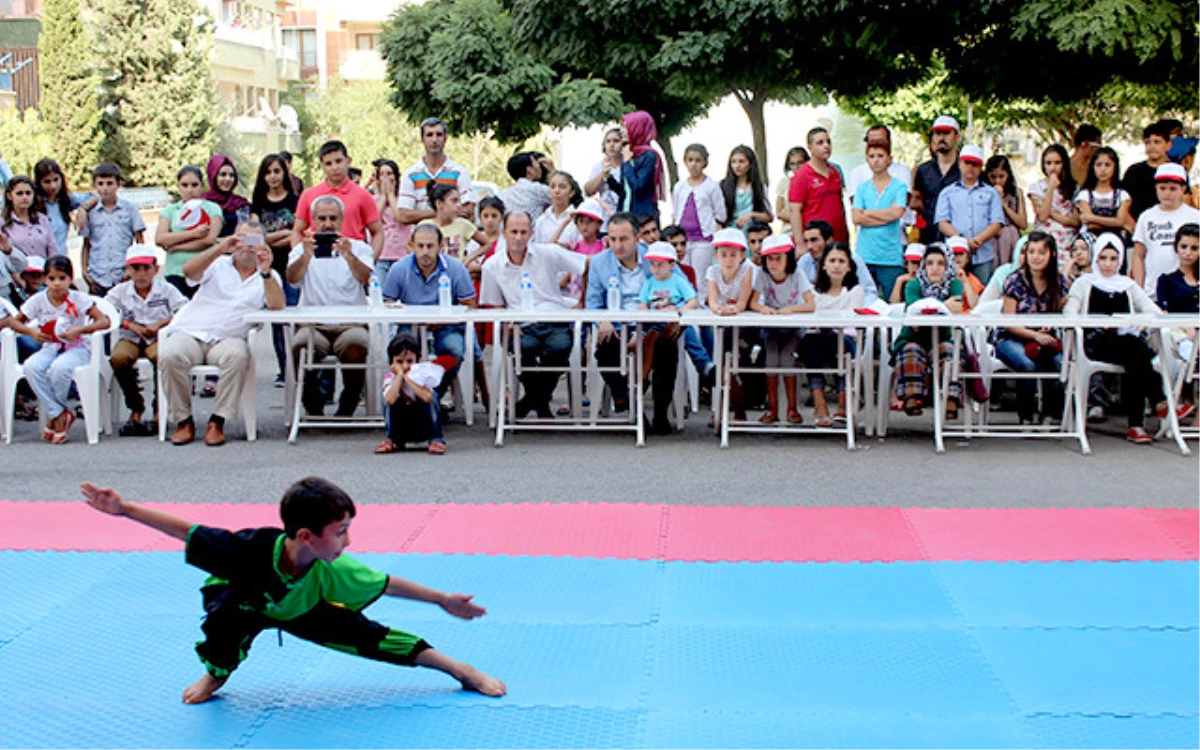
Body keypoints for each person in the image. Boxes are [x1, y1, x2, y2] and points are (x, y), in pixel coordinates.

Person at [79, 477, 505, 703]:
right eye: (340, 532)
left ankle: (460, 670)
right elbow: (186, 531)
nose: (348, 541)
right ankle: (215, 675)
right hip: (243, 601)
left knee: (373, 637)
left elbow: (387, 584)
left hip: (304, 608)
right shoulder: (247, 550)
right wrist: (124, 510)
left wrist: (442, 600)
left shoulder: (330, 567)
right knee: (222, 633)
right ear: (305, 535)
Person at [159, 222, 285, 446]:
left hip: (229, 338)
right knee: (170, 354)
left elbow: (277, 306)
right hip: (192, 330)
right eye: (243, 239)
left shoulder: (269, 275)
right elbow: (188, 271)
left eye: (253, 241)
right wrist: (220, 247)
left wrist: (265, 271)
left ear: (263, 245)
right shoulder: (217, 264)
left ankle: (217, 421)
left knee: (238, 356)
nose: (247, 246)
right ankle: (183, 420)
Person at [1064, 232, 1183, 443]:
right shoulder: (1084, 283)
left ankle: (1138, 425)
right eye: (1103, 258)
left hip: (1125, 344)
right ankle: (1156, 402)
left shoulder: (1127, 285)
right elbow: (1070, 315)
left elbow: (1151, 309)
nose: (1108, 264)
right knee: (1136, 352)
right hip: (1095, 343)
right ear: (1095, 258)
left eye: (1113, 258)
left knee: (1133, 355)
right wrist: (1098, 323)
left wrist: (1140, 321)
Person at [479, 211, 585, 418]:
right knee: (523, 350)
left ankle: (530, 401)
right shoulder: (492, 265)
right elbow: (496, 305)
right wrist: (506, 321)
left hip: (554, 319)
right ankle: (540, 401)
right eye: (513, 232)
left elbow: (586, 264)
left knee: (560, 348)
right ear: (504, 233)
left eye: (523, 232)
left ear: (531, 234)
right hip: (520, 325)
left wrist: (583, 302)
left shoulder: (548, 253)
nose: (518, 237)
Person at [583, 216, 683, 434]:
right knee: (606, 345)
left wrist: (675, 314)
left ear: (638, 238)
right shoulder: (599, 262)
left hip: (653, 323)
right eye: (613, 239)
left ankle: (660, 413)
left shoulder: (657, 256)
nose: (618, 245)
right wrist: (602, 319)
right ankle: (629, 404)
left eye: (624, 239)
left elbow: (683, 291)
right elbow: (592, 303)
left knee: (667, 348)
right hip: (618, 325)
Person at [287, 196, 376, 418]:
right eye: (322, 218)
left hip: (350, 323)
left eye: (333, 218)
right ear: (313, 220)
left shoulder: (359, 248)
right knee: (300, 347)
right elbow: (292, 279)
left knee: (357, 344)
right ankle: (312, 402)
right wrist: (306, 257)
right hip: (313, 324)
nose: (328, 223)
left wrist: (348, 256)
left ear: (342, 220)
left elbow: (367, 279)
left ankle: (349, 402)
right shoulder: (301, 249)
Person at [6, 255, 111, 443]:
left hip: (77, 348)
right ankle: (59, 413)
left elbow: (104, 321)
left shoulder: (79, 299)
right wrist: (31, 331)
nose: (56, 284)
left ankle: (56, 415)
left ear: (70, 279)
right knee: (31, 367)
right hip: (50, 346)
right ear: (45, 279)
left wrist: (80, 329)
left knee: (59, 369)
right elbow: (14, 321)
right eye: (51, 279)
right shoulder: (38, 300)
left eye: (62, 278)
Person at [106, 245, 188, 436]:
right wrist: (127, 324)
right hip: (131, 337)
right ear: (128, 270)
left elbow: (184, 311)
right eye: (135, 269)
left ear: (155, 269)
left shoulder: (166, 289)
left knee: (163, 357)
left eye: (146, 268)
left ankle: (159, 408)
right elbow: (104, 311)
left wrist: (161, 323)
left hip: (158, 337)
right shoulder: (120, 291)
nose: (141, 274)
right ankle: (135, 406)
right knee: (118, 358)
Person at [382, 223, 478, 385]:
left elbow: (470, 305)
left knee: (454, 350)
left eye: (430, 246)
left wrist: (445, 319)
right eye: (420, 246)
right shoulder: (399, 269)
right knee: (398, 352)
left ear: (440, 247)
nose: (425, 252)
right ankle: (407, 394)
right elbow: (386, 303)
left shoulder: (456, 268)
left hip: (448, 326)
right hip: (410, 325)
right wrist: (403, 313)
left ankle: (434, 393)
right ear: (412, 246)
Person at [996, 231, 1070, 423]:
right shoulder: (1014, 280)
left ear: (1051, 255)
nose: (1036, 257)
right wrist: (1034, 335)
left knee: (1060, 362)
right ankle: (1026, 415)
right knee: (1027, 365)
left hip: (1046, 336)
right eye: (1032, 252)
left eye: (1041, 253)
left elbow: (1064, 310)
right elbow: (1008, 322)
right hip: (1013, 336)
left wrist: (1050, 324)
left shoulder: (1059, 281)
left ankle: (1050, 413)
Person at [891, 244, 963, 418]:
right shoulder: (913, 284)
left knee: (949, 350)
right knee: (911, 350)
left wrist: (933, 308)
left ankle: (950, 398)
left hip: (942, 337)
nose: (935, 268)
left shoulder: (954, 284)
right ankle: (911, 396)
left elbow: (958, 307)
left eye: (941, 263)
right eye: (930, 263)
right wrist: (944, 306)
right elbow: (915, 309)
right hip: (913, 336)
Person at [750, 234, 814, 424]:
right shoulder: (762, 275)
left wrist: (791, 309)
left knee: (787, 357)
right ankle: (772, 408)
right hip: (773, 326)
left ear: (789, 258)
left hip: (794, 327)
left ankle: (792, 409)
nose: (773, 263)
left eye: (779, 258)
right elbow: (753, 302)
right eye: (769, 258)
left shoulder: (797, 275)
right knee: (770, 357)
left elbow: (810, 304)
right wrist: (764, 309)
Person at [250, 154, 301, 386]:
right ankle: (284, 371)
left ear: (285, 173)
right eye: (268, 172)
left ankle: (300, 369)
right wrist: (284, 235)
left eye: (277, 171)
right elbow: (254, 238)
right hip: (268, 268)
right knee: (278, 321)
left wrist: (269, 238)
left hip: (292, 266)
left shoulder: (296, 201)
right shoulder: (258, 203)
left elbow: (298, 235)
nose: (273, 176)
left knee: (296, 318)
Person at [292, 141, 384, 258]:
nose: (334, 167)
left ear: (348, 161)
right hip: (319, 260)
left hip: (353, 261)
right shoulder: (309, 195)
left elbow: (378, 232)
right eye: (328, 164)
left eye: (338, 161)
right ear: (322, 166)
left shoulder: (362, 195)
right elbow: (297, 231)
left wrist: (369, 262)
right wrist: (300, 259)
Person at [396, 117, 476, 251]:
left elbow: (468, 211)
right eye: (429, 135)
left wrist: (423, 214)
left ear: (445, 138)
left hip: (453, 246)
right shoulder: (410, 174)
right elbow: (404, 215)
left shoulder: (459, 172)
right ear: (422, 139)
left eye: (439, 134)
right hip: (422, 246)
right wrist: (442, 212)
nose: (434, 139)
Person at [809, 243, 866, 425]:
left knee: (839, 343)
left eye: (841, 261)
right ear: (823, 265)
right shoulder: (813, 292)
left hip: (845, 340)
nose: (836, 265)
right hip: (818, 339)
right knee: (810, 344)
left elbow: (850, 323)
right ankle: (820, 403)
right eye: (832, 260)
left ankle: (844, 402)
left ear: (849, 266)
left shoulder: (855, 292)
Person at [375, 333, 456, 455]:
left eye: (409, 361)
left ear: (417, 360)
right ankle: (394, 439)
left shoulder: (423, 375)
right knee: (387, 396)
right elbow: (390, 400)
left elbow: (428, 397)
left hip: (422, 423)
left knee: (433, 395)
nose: (405, 366)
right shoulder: (390, 378)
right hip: (402, 424)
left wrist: (408, 380)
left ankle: (435, 438)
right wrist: (399, 376)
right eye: (399, 361)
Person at [935, 144, 1004, 283]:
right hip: (954, 255)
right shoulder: (947, 192)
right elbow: (942, 222)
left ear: (980, 167)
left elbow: (996, 223)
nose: (970, 168)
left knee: (981, 295)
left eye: (975, 164)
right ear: (960, 163)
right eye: (967, 163)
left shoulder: (991, 193)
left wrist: (977, 241)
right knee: (954, 292)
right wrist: (963, 242)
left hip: (983, 254)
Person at [1131, 163, 1200, 300]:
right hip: (1152, 291)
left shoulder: (1195, 216)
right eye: (1162, 188)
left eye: (1173, 189)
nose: (1167, 193)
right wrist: (1139, 289)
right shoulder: (1146, 217)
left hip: (1187, 290)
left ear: (1183, 189)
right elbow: (1138, 254)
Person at [158, 166, 224, 298]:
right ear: (178, 187)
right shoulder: (170, 211)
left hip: (205, 272)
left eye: (194, 185)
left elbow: (209, 240)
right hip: (175, 272)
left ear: (202, 186)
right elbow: (160, 238)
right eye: (185, 185)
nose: (190, 190)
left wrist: (176, 246)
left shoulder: (212, 209)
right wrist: (193, 234)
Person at [852, 139, 909, 295]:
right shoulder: (862, 189)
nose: (876, 160)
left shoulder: (899, 186)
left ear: (889, 159)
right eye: (871, 156)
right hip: (865, 254)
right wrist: (886, 215)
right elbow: (856, 218)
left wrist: (868, 212)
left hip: (890, 256)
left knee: (893, 303)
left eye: (880, 156)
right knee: (863, 302)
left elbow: (897, 213)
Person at [79, 163, 145, 296]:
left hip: (122, 275)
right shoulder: (91, 212)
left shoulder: (129, 209)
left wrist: (132, 269)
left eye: (110, 183)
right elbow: (86, 244)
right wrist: (85, 272)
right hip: (97, 276)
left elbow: (140, 242)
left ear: (118, 185)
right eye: (101, 184)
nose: (105, 189)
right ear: (95, 185)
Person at [1158, 223, 1200, 424]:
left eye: (1194, 248)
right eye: (1184, 247)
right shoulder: (1167, 280)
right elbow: (1164, 312)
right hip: (1181, 334)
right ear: (1176, 248)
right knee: (1190, 350)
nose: (1188, 253)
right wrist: (1185, 326)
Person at [672, 144, 726, 275]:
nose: (693, 164)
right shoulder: (679, 186)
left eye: (698, 160)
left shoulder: (711, 186)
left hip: (703, 240)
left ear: (704, 163)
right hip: (683, 240)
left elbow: (720, 214)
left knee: (700, 276)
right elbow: (676, 211)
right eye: (690, 160)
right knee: (683, 274)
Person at [796, 219, 879, 302]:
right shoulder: (804, 261)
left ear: (829, 240)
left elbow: (870, 292)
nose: (809, 246)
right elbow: (797, 291)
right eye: (806, 241)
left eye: (814, 240)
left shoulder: (852, 258)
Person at [789, 128, 846, 244]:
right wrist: (800, 243)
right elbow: (794, 210)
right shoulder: (802, 175)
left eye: (828, 142)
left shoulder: (835, 171)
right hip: (815, 242)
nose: (826, 146)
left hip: (837, 239)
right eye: (820, 143)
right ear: (810, 147)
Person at [1028, 144, 1080, 265]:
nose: (1052, 167)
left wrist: (1052, 213)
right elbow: (1042, 216)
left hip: (1068, 239)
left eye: (1057, 163)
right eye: (1048, 163)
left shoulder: (1073, 188)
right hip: (1045, 238)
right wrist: (1051, 188)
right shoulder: (1037, 187)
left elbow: (1075, 221)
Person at [914, 115, 963, 244]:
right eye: (937, 133)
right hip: (929, 237)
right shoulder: (923, 170)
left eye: (947, 133)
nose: (942, 138)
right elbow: (917, 201)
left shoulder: (966, 170)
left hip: (958, 237)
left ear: (957, 136)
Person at [33, 159, 90, 255]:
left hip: (60, 261)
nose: (53, 186)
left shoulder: (66, 200)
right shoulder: (32, 204)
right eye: (47, 182)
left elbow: (95, 197)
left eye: (56, 179)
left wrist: (83, 208)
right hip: (39, 262)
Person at [419, 184, 488, 260]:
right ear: (439, 203)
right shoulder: (425, 225)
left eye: (459, 201)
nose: (459, 205)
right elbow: (410, 245)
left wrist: (468, 259)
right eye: (454, 201)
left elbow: (486, 244)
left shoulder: (463, 224)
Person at [847, 125, 913, 205]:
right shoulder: (857, 172)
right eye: (871, 141)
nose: (876, 144)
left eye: (880, 141)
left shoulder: (902, 171)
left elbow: (903, 201)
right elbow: (857, 204)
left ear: (889, 142)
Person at [1123, 120, 1175, 221]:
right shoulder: (1133, 172)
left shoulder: (1176, 171)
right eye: (1148, 142)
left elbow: (1185, 202)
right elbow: (1123, 204)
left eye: (1157, 142)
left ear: (1168, 145)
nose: (1152, 146)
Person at [1076, 146, 1132, 237]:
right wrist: (1113, 222)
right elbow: (1089, 224)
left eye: (1107, 165)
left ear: (1115, 167)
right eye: (1098, 165)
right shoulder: (1084, 194)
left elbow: (1120, 221)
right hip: (1090, 239)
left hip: (1115, 240)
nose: (1102, 169)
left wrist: (1093, 217)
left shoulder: (1122, 195)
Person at [619, 110, 664, 222]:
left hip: (642, 217)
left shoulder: (649, 155)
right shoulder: (628, 153)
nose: (622, 132)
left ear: (637, 129)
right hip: (626, 214)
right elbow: (624, 188)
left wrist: (626, 163)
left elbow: (638, 187)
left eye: (625, 127)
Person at [0, 175, 56, 262]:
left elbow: (52, 250)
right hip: (14, 273)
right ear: (9, 196)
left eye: (28, 193)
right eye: (19, 193)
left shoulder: (42, 219)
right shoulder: (3, 223)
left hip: (42, 272)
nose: (25, 197)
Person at [985, 155, 1027, 267]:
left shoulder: (1016, 193)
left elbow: (1023, 224)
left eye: (1001, 176)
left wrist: (1003, 204)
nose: (997, 181)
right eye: (993, 177)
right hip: (992, 238)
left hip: (1011, 237)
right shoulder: (983, 193)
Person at [720, 145, 772, 233]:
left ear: (750, 164)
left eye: (742, 162)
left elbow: (769, 217)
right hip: (730, 235)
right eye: (733, 162)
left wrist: (751, 215)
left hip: (753, 235)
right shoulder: (723, 187)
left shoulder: (759, 188)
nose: (737, 166)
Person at [372, 159, 407, 275]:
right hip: (382, 254)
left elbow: (400, 216)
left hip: (401, 254)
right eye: (382, 174)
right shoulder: (374, 200)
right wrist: (383, 195)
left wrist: (391, 195)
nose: (386, 178)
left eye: (389, 173)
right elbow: (374, 218)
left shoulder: (404, 199)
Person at [531, 170, 583, 247]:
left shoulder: (578, 218)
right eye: (552, 187)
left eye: (562, 187)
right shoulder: (541, 220)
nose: (557, 191)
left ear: (571, 193)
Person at [203, 155, 250, 239]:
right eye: (223, 175)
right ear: (213, 176)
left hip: (235, 248)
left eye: (231, 175)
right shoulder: (202, 203)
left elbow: (245, 234)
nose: (228, 179)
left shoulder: (240, 203)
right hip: (207, 249)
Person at [497, 152, 553, 221]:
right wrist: (552, 171)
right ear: (529, 170)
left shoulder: (502, 195)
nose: (539, 167)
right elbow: (564, 197)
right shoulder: (537, 190)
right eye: (536, 164)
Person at [584, 127, 624, 217]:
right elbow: (588, 191)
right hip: (604, 218)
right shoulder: (599, 166)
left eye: (616, 141)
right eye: (608, 141)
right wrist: (602, 174)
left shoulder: (628, 165)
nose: (611, 145)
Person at [775, 147, 810, 234]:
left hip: (810, 229)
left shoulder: (812, 182)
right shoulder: (784, 183)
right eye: (792, 164)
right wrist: (796, 218)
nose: (796, 167)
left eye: (799, 163)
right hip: (788, 231)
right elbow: (779, 212)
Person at [948, 236, 983, 312]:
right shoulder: (938, 276)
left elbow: (975, 305)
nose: (957, 257)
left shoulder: (972, 279)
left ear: (968, 257)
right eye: (953, 254)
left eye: (960, 253)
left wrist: (965, 281)